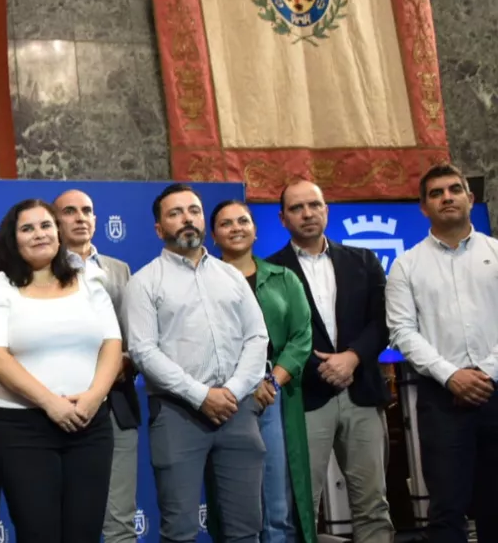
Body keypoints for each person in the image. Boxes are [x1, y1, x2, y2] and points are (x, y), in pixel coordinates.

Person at [124, 184, 269, 543]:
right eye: (175, 213)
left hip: (238, 410)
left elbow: (257, 338)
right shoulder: (144, 282)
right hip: (177, 414)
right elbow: (143, 351)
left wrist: (231, 392)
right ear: (159, 229)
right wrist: (201, 395)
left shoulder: (231, 276)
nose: (187, 219)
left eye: (193, 211)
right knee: (180, 530)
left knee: (246, 529)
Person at [0, 198, 123, 543]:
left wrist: (93, 399)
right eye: (27, 228)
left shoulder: (90, 281)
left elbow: (112, 344)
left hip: (90, 424)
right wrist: (50, 403)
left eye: (45, 226)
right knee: (39, 534)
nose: (38, 234)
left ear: (58, 233)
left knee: (83, 534)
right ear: (13, 239)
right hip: (23, 430)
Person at [268, 180, 394, 543]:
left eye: (314, 205)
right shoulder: (271, 270)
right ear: (282, 218)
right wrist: (322, 367)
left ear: (326, 210)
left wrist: (351, 358)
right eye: (297, 208)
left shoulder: (363, 260)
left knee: (373, 504)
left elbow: (382, 320)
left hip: (362, 393)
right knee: (303, 507)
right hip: (305, 398)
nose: (307, 213)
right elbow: (275, 339)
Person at [387, 164, 498, 543]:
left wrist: (485, 372)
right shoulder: (406, 265)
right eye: (436, 193)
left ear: (471, 197)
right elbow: (402, 331)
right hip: (441, 397)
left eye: (454, 189)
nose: (446, 197)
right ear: (423, 207)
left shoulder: (497, 253)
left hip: (496, 389)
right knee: (446, 508)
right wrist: (452, 375)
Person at [210, 200, 317, 543]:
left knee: (277, 503)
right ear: (213, 235)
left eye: (243, 220)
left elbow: (302, 337)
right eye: (226, 223)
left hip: (271, 397)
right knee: (235, 504)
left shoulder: (283, 278)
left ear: (256, 230)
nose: (236, 228)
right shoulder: (203, 281)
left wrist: (272, 380)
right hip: (223, 398)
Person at [53, 188, 140, 543]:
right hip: (62, 403)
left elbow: (136, 334)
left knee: (119, 521)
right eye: (69, 212)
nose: (80, 218)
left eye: (86, 211)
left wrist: (128, 360)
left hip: (117, 405)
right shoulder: (42, 269)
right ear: (55, 222)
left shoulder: (119, 270)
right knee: (65, 520)